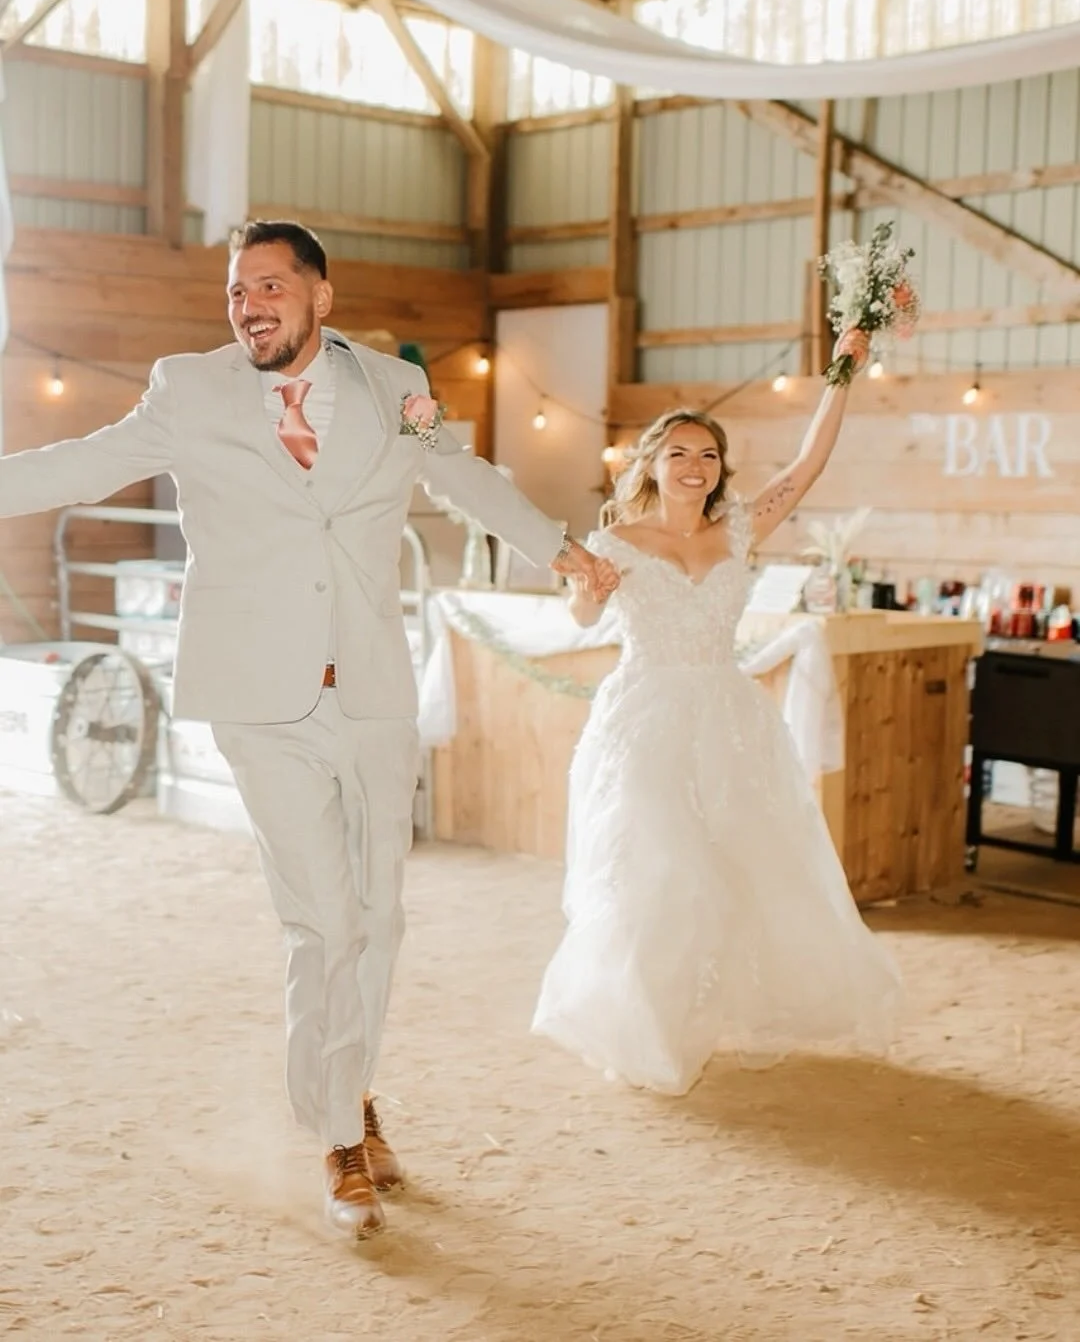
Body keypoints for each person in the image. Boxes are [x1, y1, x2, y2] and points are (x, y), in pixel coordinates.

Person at [0, 220, 617, 1238]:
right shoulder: (187, 390)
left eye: (271, 285)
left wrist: (560, 550)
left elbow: (459, 474)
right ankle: (336, 1135)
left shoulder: (394, 387)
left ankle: (352, 1092)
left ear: (320, 297)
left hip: (371, 687)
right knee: (322, 919)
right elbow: (83, 465)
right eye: (238, 290)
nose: (250, 304)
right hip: (259, 697)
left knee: (381, 918)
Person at [532, 329, 903, 1096]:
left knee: (731, 873)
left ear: (718, 471)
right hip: (645, 721)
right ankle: (643, 1031)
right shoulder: (616, 539)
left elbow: (806, 467)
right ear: (652, 466)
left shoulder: (739, 530)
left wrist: (843, 371)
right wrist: (585, 589)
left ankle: (686, 1018)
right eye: (679, 454)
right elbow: (576, 618)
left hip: (729, 721)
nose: (695, 467)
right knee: (656, 869)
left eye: (707, 456)